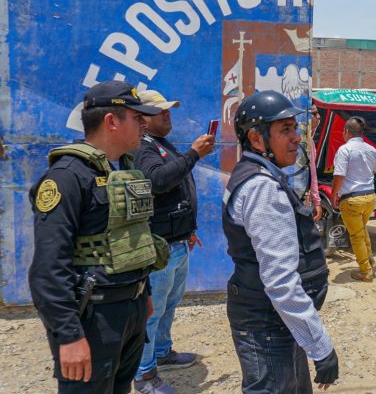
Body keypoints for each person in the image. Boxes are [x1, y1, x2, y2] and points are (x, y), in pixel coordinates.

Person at [28, 80, 164, 393]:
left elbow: (134, 237)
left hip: (129, 310)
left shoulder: (124, 170)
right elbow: (48, 269)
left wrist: (144, 294)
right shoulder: (67, 177)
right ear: (111, 121)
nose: (144, 124)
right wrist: (69, 335)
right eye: (137, 117)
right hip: (93, 317)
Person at [222, 90, 339, 393]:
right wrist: (321, 347)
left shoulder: (257, 175)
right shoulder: (262, 188)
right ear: (257, 139)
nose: (297, 138)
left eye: (295, 128)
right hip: (268, 324)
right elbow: (280, 281)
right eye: (285, 130)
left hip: (273, 321)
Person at [132, 90, 215, 393]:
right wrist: (193, 154)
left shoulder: (161, 144)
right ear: (141, 118)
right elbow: (157, 181)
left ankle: (162, 352)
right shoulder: (142, 148)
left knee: (169, 304)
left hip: (176, 242)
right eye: (161, 112)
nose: (168, 116)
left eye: (169, 111)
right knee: (151, 313)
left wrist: (188, 229)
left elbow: (174, 192)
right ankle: (144, 374)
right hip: (159, 248)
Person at [331, 117, 376, 282]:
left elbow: (339, 175)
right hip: (370, 198)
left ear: (346, 132)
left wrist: (334, 195)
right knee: (362, 230)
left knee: (356, 236)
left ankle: (365, 270)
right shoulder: (372, 150)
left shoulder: (344, 150)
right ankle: (370, 261)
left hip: (352, 200)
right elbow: (375, 171)